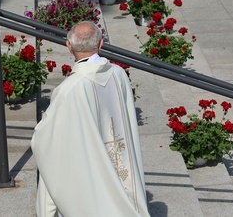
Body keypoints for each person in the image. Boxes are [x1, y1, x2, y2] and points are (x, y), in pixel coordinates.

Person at [31, 22, 149, 217]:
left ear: (68, 46)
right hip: (120, 160)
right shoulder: (118, 74)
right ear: (101, 44)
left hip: (87, 170)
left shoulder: (70, 89)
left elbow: (46, 138)